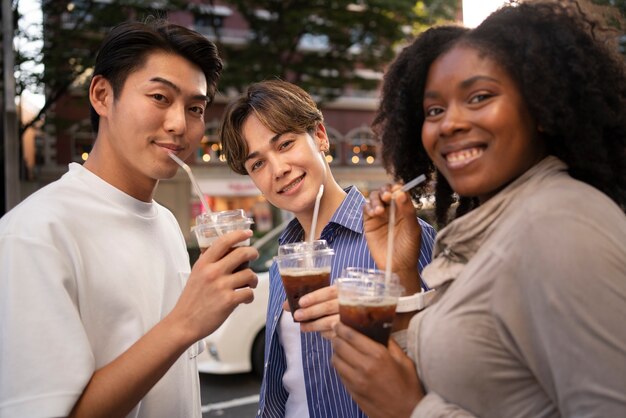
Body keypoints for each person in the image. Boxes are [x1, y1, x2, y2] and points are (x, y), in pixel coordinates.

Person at [331, 1, 626, 417]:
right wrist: (400, 273)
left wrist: (411, 410)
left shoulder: (561, 224)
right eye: (434, 109)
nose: (449, 123)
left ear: (541, 106)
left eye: (479, 96)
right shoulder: (497, 224)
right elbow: (476, 374)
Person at [0, 19, 259, 418]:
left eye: (195, 108)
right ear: (102, 95)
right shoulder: (34, 234)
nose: (179, 124)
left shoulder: (169, 224)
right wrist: (185, 323)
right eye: (159, 97)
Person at [219, 79, 437, 418]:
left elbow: (448, 369)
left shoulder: (400, 237)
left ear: (320, 136)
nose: (278, 169)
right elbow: (285, 384)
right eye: (257, 164)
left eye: (286, 144)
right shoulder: (283, 261)